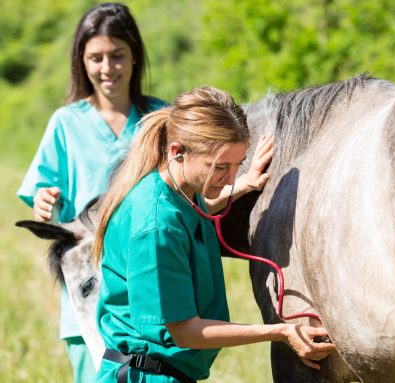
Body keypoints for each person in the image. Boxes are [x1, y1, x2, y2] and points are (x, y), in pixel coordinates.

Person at [92, 86, 336, 383]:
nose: (229, 178)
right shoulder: (154, 228)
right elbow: (184, 331)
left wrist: (245, 183)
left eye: (237, 164)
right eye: (221, 167)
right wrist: (280, 331)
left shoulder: (175, 191)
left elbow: (193, 209)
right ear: (177, 151)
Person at [17, 3, 166, 382]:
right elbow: (43, 198)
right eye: (95, 57)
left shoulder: (160, 120)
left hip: (153, 286)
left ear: (135, 56)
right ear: (81, 61)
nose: (107, 68)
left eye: (117, 55)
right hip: (89, 294)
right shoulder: (66, 124)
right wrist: (44, 202)